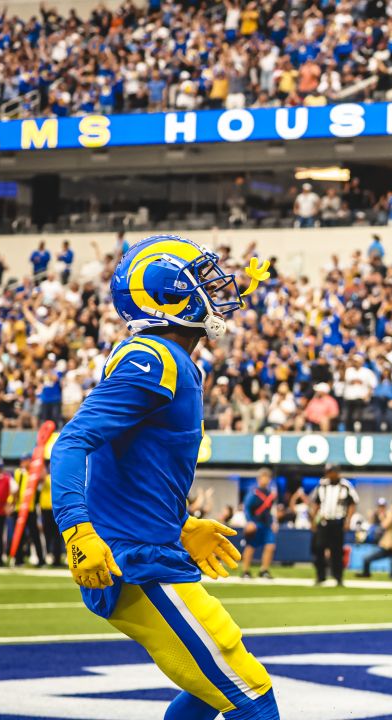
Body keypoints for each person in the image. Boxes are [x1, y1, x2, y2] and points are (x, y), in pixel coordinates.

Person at [49, 234, 278, 719]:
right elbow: (71, 443)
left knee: (209, 687)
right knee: (252, 696)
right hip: (132, 559)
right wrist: (77, 529)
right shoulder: (154, 359)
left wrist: (179, 525)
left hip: (148, 547)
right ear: (168, 295)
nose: (217, 286)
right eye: (201, 278)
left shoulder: (171, 360)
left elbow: (135, 464)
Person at [297, 464, 359, 587]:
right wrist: (314, 520)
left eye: (331, 472)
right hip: (323, 521)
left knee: (336, 551)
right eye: (327, 472)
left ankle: (338, 577)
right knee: (318, 548)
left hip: (337, 521)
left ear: (337, 472)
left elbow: (352, 504)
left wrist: (348, 520)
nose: (329, 474)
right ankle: (321, 576)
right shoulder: (322, 485)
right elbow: (316, 503)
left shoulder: (345, 485)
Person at [356, 498, 392, 578]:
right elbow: (384, 525)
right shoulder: (390, 515)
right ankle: (366, 573)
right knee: (366, 559)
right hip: (387, 546)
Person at [240, 468, 279, 580]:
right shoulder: (254, 492)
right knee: (251, 546)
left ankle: (264, 570)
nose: (265, 479)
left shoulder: (271, 494)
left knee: (270, 546)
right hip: (255, 523)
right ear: (259, 479)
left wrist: (274, 522)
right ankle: (245, 571)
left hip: (267, 524)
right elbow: (246, 507)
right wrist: (249, 522)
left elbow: (271, 510)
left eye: (267, 477)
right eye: (263, 476)